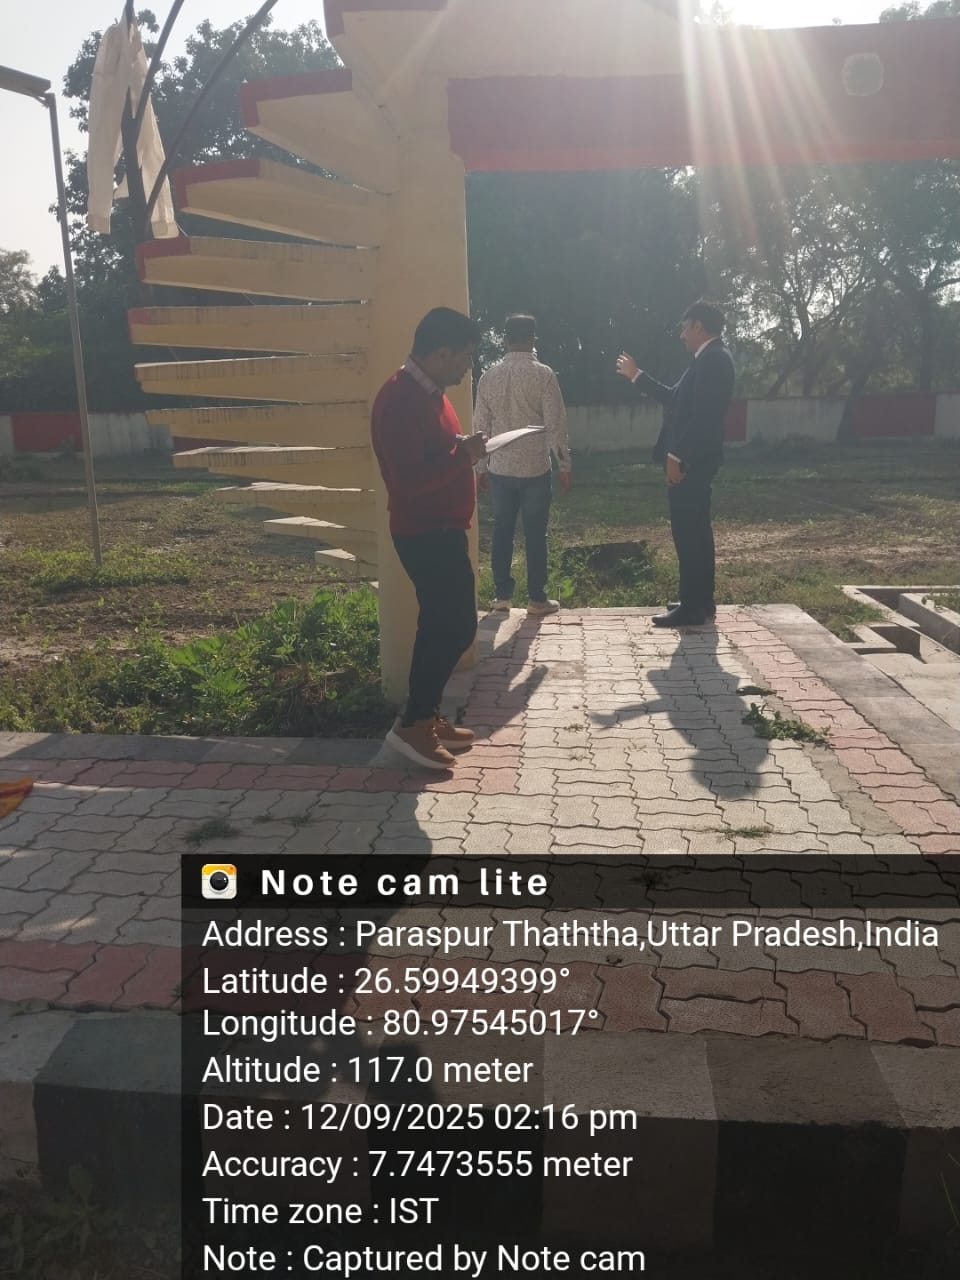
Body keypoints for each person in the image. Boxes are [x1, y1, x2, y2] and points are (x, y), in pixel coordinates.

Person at [371, 307, 487, 770]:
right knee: (453, 627)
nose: (468, 366)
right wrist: (463, 458)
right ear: (441, 352)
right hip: (425, 531)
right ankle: (414, 726)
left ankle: (424, 716)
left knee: (443, 625)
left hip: (441, 528)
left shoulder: (429, 395)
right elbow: (408, 482)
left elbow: (436, 455)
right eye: (466, 356)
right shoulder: (401, 399)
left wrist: (463, 453)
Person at [616, 300, 735, 627]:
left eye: (685, 327)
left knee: (688, 532)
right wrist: (637, 376)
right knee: (696, 530)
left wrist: (676, 455)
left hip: (692, 460)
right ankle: (700, 600)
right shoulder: (707, 359)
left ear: (698, 326)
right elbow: (674, 397)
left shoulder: (713, 361)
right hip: (695, 458)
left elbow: (703, 417)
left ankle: (693, 606)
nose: (682, 335)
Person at [473, 314, 572, 616]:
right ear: (533, 339)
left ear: (504, 340)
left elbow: (480, 427)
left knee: (502, 531)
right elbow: (556, 424)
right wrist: (564, 465)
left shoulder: (488, 377)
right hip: (535, 469)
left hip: (500, 468)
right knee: (535, 534)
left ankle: (502, 596)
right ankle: (537, 598)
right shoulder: (544, 375)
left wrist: (480, 469)